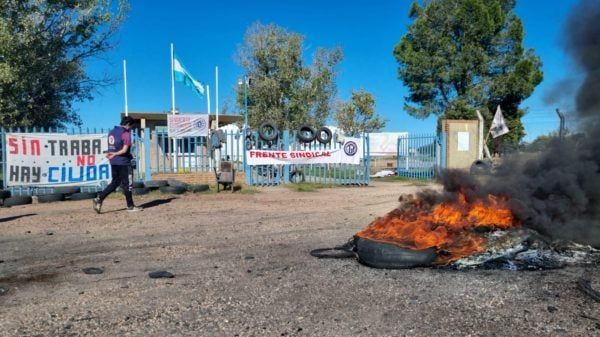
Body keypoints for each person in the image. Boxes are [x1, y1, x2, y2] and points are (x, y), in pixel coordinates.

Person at [93, 116, 143, 213]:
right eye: (131, 126)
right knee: (128, 184)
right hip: (124, 162)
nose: (131, 128)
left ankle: (99, 198)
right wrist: (115, 153)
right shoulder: (126, 134)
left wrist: (112, 154)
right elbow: (124, 150)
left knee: (115, 183)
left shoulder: (112, 132)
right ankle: (131, 206)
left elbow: (113, 147)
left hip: (114, 162)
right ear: (128, 124)